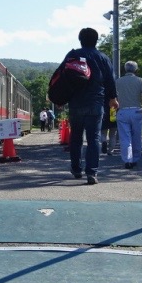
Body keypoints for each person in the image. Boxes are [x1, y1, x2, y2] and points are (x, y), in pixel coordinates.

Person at [60, 27, 118, 184]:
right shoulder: (103, 58)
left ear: (80, 40)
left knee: (76, 137)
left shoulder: (72, 55)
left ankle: (76, 169)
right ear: (96, 40)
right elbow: (110, 81)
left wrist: (60, 98)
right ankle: (91, 173)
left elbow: (62, 77)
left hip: (75, 103)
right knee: (94, 139)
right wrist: (113, 98)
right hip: (96, 103)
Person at [115, 61, 142, 169]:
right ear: (136, 69)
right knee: (137, 136)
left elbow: (113, 96)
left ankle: (127, 160)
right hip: (136, 111)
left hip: (122, 110)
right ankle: (135, 159)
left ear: (125, 69)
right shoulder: (140, 80)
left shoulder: (118, 81)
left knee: (125, 137)